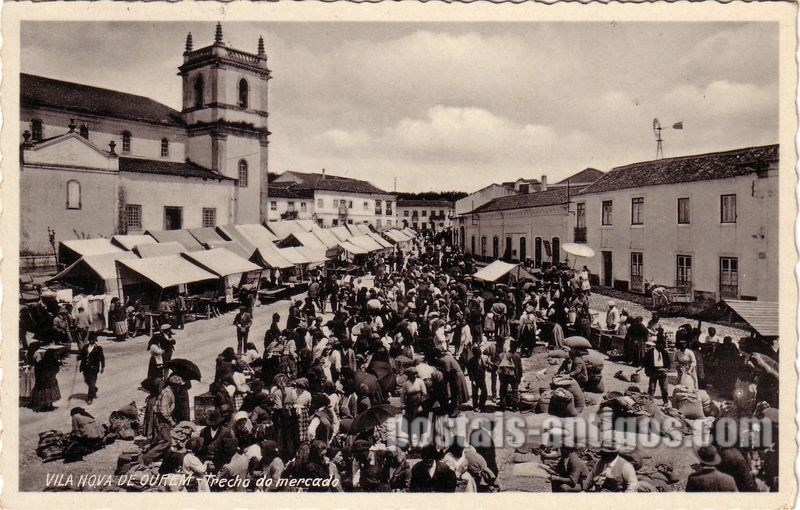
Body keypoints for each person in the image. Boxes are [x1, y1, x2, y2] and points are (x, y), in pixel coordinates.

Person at [142, 373, 181, 465]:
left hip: (160, 418)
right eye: (178, 386)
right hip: (162, 419)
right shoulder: (168, 393)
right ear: (174, 385)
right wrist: (171, 421)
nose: (179, 387)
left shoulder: (167, 391)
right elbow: (163, 410)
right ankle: (146, 459)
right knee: (166, 441)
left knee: (160, 439)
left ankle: (164, 458)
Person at [78, 333, 105, 405]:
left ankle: (90, 398)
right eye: (90, 339)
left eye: (93, 340)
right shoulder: (85, 347)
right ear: (89, 340)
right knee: (87, 381)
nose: (92, 341)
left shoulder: (98, 348)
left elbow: (102, 358)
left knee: (91, 383)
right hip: (85, 368)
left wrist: (102, 367)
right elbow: (82, 355)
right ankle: (94, 389)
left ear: (95, 340)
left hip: (94, 368)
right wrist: (79, 358)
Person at [643, 337, 671, 405]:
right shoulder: (650, 352)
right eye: (660, 344)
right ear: (656, 344)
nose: (661, 346)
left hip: (663, 371)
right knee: (651, 388)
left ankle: (665, 401)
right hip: (654, 371)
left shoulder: (664, 352)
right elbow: (645, 361)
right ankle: (650, 401)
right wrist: (642, 367)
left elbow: (668, 361)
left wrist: (667, 369)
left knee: (664, 388)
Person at [497, 343, 522, 412]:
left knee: (503, 391)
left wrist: (500, 377)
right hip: (514, 376)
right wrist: (519, 377)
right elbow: (520, 368)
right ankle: (514, 407)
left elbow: (500, 367)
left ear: (510, 346)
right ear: (516, 348)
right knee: (515, 391)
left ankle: (502, 407)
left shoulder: (504, 355)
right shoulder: (518, 356)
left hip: (504, 376)